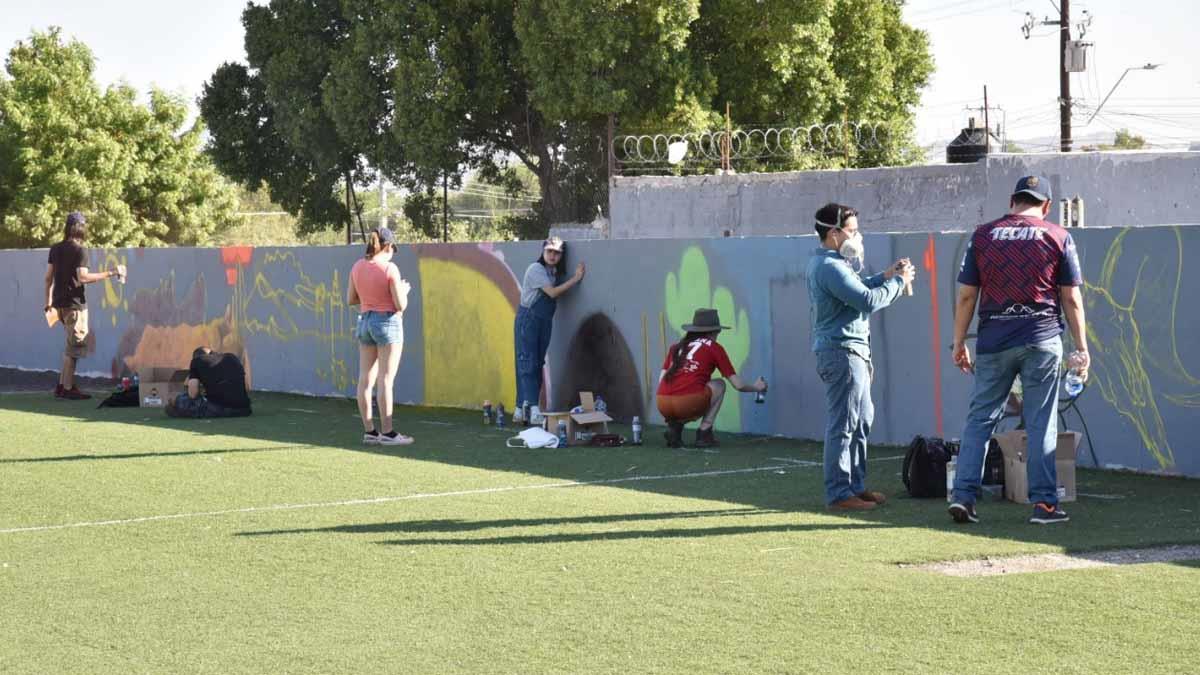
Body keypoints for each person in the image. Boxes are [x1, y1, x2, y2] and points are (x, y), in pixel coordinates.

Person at [950, 176, 1088, 525]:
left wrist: (958, 342)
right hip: (1041, 340)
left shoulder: (982, 235)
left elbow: (967, 295)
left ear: (1012, 201)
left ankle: (964, 497)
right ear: (1046, 206)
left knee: (980, 419)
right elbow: (1071, 298)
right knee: (1042, 422)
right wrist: (1082, 348)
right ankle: (1044, 505)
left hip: (993, 340)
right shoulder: (1058, 236)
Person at [807, 203, 915, 511]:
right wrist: (897, 282)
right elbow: (866, 301)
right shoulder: (830, 267)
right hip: (842, 353)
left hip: (852, 352)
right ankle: (840, 494)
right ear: (834, 233)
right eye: (852, 231)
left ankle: (855, 486)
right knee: (845, 423)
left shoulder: (833, 265)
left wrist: (885, 276)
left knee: (861, 420)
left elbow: (857, 289)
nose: (857, 237)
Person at [44, 212, 126, 400]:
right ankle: (67, 388)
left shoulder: (55, 248)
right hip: (75, 306)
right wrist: (111, 272)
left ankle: (62, 386)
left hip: (59, 305)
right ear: (81, 228)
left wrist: (47, 303)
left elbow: (48, 278)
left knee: (70, 345)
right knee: (74, 349)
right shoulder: (80, 250)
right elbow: (83, 277)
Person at [656, 309, 767, 448]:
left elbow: (662, 380)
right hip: (687, 402)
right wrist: (757, 387)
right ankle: (704, 433)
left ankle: (675, 429)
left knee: (690, 390)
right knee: (720, 385)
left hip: (662, 402)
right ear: (713, 331)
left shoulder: (676, 347)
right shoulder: (714, 348)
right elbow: (738, 385)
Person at [347, 227, 413, 446]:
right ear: (387, 246)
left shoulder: (357, 266)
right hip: (387, 322)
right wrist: (403, 290)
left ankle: (370, 431)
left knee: (365, 378)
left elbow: (351, 299)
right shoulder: (390, 268)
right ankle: (388, 432)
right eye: (393, 247)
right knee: (386, 379)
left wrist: (370, 298)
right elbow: (400, 305)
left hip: (365, 320)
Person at [514, 236, 584, 415]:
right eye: (549, 251)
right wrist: (575, 279)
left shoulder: (551, 272)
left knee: (537, 362)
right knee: (527, 362)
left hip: (543, 320)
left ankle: (523, 408)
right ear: (543, 251)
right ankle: (530, 407)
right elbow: (552, 293)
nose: (552, 256)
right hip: (529, 319)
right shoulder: (536, 269)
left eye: (557, 253)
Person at [165, 347, 253, 418]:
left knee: (181, 398)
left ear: (196, 357)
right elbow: (247, 387)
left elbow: (192, 394)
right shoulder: (232, 357)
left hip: (219, 408)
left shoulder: (196, 361)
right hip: (244, 410)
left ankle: (177, 408)